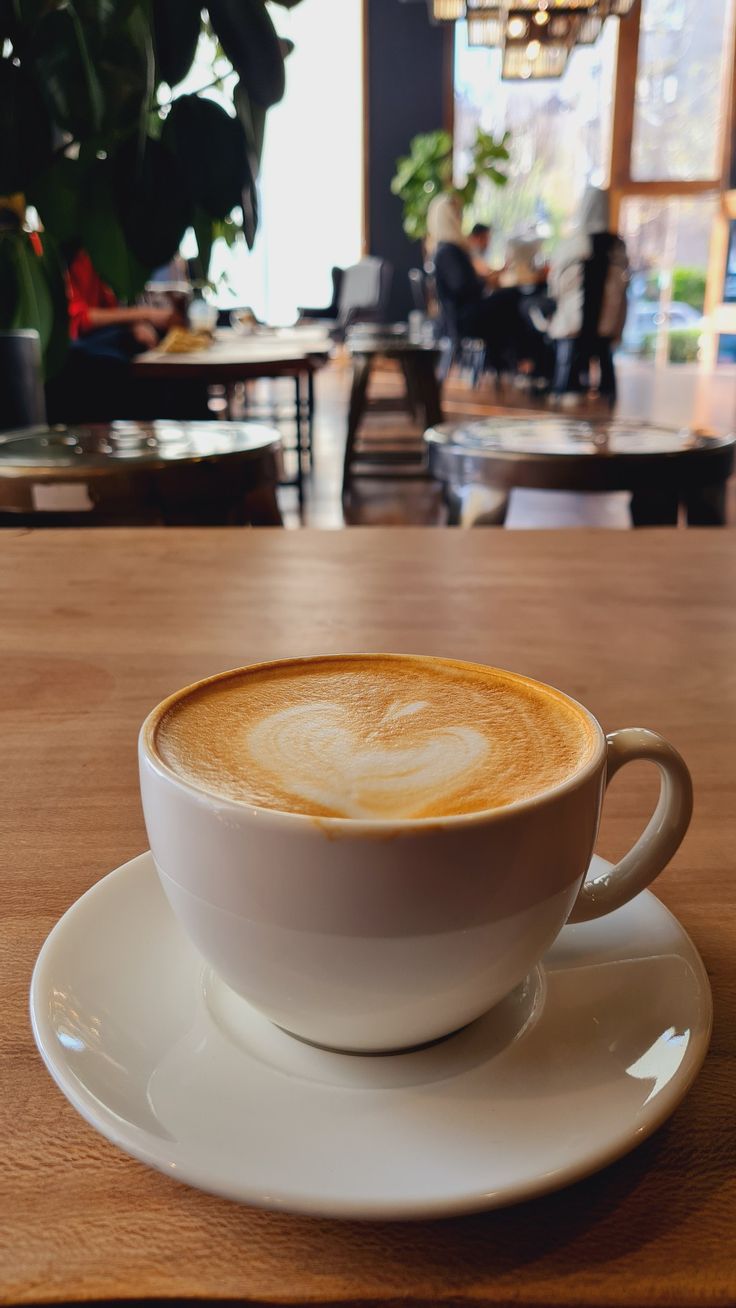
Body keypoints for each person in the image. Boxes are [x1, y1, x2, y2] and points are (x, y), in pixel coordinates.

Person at [426, 193, 551, 381]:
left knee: (510, 309)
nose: (460, 218)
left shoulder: (445, 250)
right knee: (513, 299)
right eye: (457, 213)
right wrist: (484, 282)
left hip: (459, 316)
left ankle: (519, 362)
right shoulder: (449, 252)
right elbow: (464, 287)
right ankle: (527, 362)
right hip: (463, 319)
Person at [547, 186, 629, 402]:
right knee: (603, 350)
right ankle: (607, 390)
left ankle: (565, 387)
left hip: (571, 323)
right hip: (606, 325)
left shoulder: (571, 244)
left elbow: (555, 287)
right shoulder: (618, 247)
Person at [65, 247, 175, 353]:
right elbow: (81, 319)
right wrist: (147, 314)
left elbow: (110, 310)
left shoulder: (97, 259)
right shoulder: (72, 258)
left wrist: (134, 324)